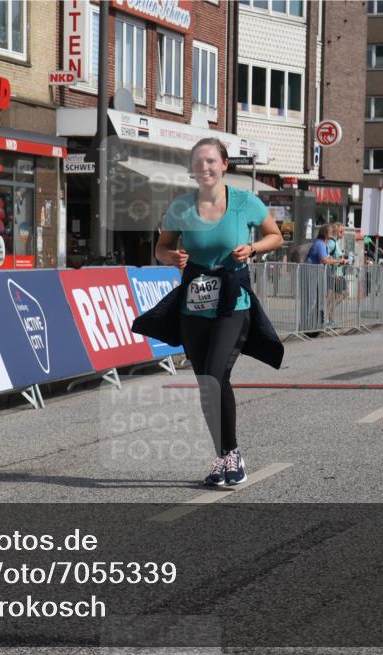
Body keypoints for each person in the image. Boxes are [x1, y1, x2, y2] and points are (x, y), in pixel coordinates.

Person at [134, 137, 284, 487]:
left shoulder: (245, 202)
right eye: (198, 163)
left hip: (233, 302)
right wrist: (172, 257)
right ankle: (222, 458)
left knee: (216, 374)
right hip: (194, 304)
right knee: (206, 383)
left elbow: (275, 236)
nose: (205, 168)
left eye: (211, 161)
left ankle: (232, 455)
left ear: (224, 165)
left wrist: (254, 248)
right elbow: (162, 247)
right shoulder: (181, 207)